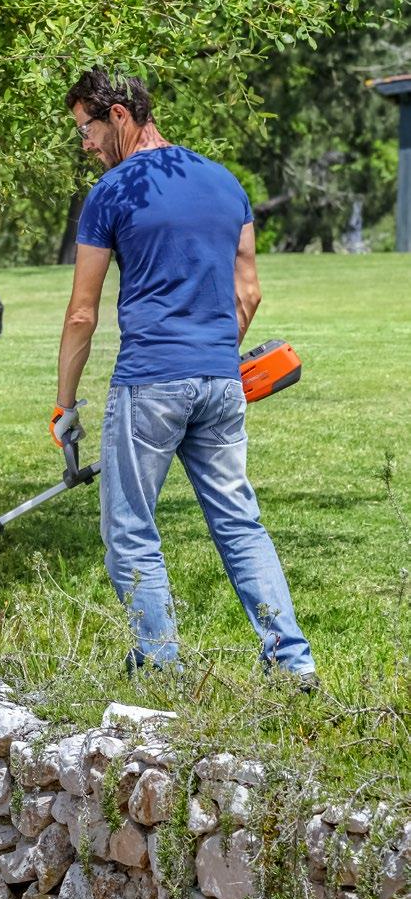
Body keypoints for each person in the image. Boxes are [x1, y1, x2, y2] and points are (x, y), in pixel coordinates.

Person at [50, 67, 317, 686]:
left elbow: (82, 313)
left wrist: (65, 407)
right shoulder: (226, 184)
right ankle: (291, 663)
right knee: (238, 521)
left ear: (118, 116)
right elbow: (248, 294)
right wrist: (217, 358)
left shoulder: (112, 194)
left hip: (148, 385)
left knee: (129, 527)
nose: (85, 144)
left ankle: (158, 666)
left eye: (86, 129)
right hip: (221, 383)